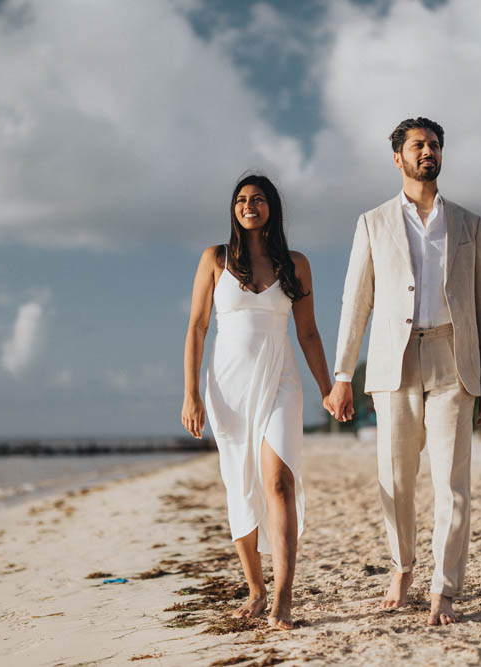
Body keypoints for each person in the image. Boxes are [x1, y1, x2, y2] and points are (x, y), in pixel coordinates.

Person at [325, 117, 481, 626]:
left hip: (454, 358)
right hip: (394, 361)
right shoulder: (372, 222)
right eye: (418, 145)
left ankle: (444, 589)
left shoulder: (469, 223)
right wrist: (342, 375)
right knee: (396, 479)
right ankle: (402, 567)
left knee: (452, 483)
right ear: (398, 157)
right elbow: (354, 304)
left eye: (435, 145)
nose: (429, 151)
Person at [182, 174, 333, 630]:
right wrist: (190, 393)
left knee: (279, 483)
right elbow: (196, 327)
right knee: (240, 485)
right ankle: (255, 586)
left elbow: (307, 332)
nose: (250, 205)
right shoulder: (215, 258)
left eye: (259, 199)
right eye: (242, 200)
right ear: (233, 209)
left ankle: (282, 597)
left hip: (280, 379)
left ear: (272, 208)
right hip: (227, 386)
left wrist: (329, 388)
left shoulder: (296, 264)